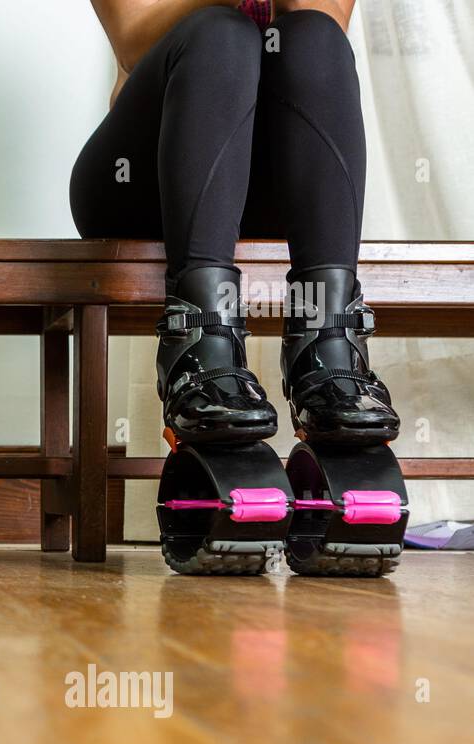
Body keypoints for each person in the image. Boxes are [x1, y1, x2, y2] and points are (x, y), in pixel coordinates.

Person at [70, 0, 400, 447]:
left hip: (273, 187)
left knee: (313, 34)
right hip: (143, 184)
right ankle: (200, 350)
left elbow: (323, 17)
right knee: (221, 31)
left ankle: (327, 347)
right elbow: (133, 39)